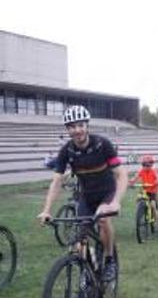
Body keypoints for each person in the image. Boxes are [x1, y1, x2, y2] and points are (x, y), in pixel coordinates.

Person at [37, 105, 128, 282]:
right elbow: (56, 181)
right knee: (80, 241)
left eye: (80, 125)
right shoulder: (67, 151)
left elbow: (121, 174)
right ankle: (89, 272)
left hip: (107, 192)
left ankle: (110, 259)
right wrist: (47, 210)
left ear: (87, 125)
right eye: (72, 127)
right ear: (68, 129)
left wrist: (116, 201)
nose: (77, 130)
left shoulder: (102, 144)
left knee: (103, 218)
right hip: (86, 196)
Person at [129, 154, 158, 226]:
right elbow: (135, 177)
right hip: (144, 190)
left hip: (153, 191)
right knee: (139, 199)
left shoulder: (153, 171)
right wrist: (131, 182)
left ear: (151, 165)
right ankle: (140, 214)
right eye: (144, 165)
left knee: (153, 206)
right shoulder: (141, 171)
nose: (146, 167)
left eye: (148, 165)